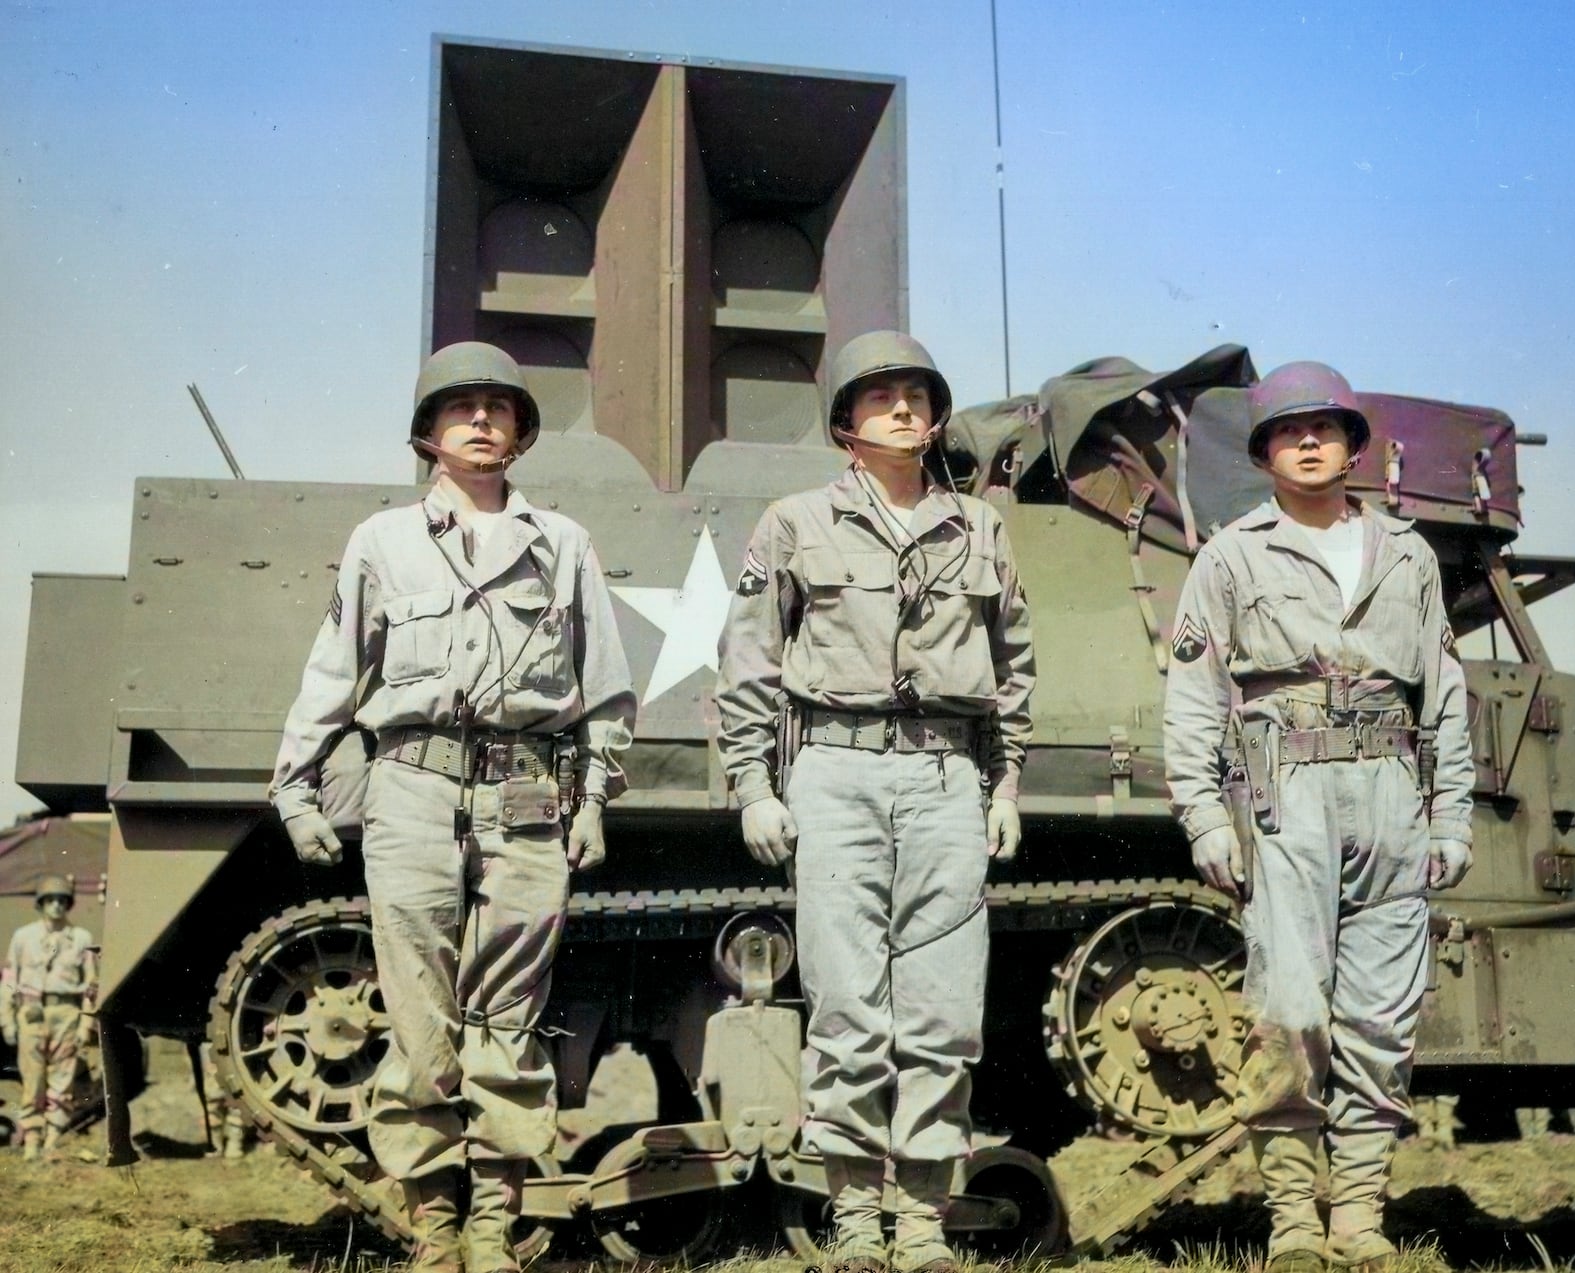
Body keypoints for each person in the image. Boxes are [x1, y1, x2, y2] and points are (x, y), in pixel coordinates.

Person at [270, 341, 636, 1273]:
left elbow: (605, 688)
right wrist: (297, 788)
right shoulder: (382, 542)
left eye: (498, 408)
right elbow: (333, 670)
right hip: (413, 787)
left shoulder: (562, 544)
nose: (480, 421)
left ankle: (493, 1226)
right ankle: (435, 1225)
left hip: (527, 792)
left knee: (510, 1019)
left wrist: (593, 796)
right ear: (429, 434)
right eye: (460, 408)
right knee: (423, 1020)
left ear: (520, 432)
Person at [715, 331, 1035, 1273]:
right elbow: (749, 663)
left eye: (916, 395)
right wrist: (753, 786)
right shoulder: (794, 523)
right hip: (836, 772)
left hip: (946, 777)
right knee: (848, 997)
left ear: (935, 417)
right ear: (846, 423)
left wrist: (1005, 782)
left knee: (940, 1002)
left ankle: (926, 1214)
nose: (901, 408)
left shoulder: (980, 529)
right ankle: (857, 1211)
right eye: (879, 395)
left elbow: (1014, 665)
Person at [1163, 361, 1474, 1273]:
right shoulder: (1230, 557)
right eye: (1289, 430)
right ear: (1264, 453)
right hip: (1285, 791)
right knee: (1291, 1008)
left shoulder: (1406, 555)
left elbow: (1445, 695)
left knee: (1382, 1016)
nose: (1309, 441)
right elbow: (1193, 696)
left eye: (1327, 427)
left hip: (1388, 791)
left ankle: (1360, 1212)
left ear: (1351, 447)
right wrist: (1204, 819)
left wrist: (1450, 816)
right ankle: (1295, 1213)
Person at [1, 875, 97, 1162]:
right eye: (50, 900)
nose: (56, 906)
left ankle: (52, 1140)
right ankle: (32, 1139)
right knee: (32, 1080)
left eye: (62, 901)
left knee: (63, 1079)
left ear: (68, 905)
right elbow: (8, 980)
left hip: (66, 1012)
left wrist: (85, 1024)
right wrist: (7, 1019)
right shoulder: (23, 937)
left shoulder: (81, 938)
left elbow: (91, 986)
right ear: (40, 905)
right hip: (31, 1012)